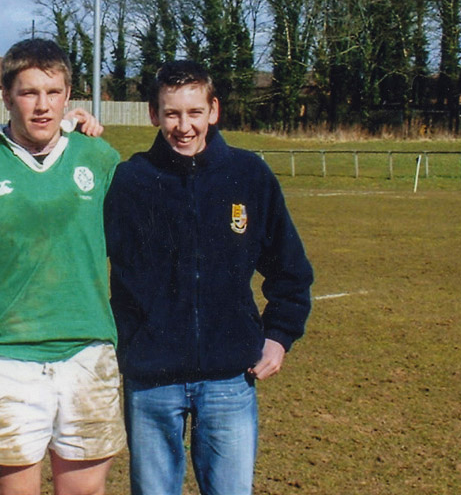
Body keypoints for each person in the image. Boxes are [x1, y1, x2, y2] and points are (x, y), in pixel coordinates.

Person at [104, 60, 314, 495]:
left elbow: (289, 267)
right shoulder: (129, 180)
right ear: (153, 114)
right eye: (172, 114)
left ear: (213, 110)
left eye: (194, 112)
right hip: (151, 378)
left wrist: (279, 334)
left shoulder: (249, 175)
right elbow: (72, 247)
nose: (184, 126)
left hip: (230, 377)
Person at [0, 38, 125, 495]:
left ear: (70, 97)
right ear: (6, 96)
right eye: (28, 93)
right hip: (6, 357)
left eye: (53, 93)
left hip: (88, 352)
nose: (42, 106)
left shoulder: (100, 159)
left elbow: (145, 246)